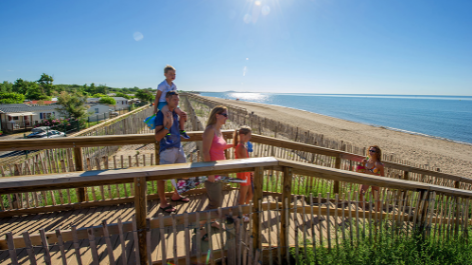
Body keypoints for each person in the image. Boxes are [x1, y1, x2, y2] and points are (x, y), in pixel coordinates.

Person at [154, 91, 190, 213]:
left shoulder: (175, 113)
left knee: (184, 173)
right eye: (174, 99)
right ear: (167, 99)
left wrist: (183, 121)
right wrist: (167, 127)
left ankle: (176, 195)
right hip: (167, 150)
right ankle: (163, 203)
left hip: (178, 147)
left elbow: (179, 131)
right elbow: (158, 137)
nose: (177, 102)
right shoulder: (161, 114)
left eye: (177, 100)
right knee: (162, 177)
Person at [200, 105, 233, 234]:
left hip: (220, 170)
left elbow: (220, 148)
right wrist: (210, 173)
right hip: (212, 171)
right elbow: (205, 152)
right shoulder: (210, 130)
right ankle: (199, 224)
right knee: (215, 202)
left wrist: (234, 144)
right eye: (225, 115)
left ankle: (212, 221)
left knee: (217, 199)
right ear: (217, 115)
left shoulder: (219, 130)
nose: (227, 117)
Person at [153, 65, 190, 139]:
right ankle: (167, 133)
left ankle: (182, 130)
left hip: (171, 103)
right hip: (162, 103)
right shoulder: (162, 85)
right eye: (170, 74)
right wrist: (155, 109)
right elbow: (157, 97)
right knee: (167, 114)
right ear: (165, 74)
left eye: (174, 74)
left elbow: (175, 96)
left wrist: (177, 105)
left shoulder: (174, 86)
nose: (173, 76)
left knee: (182, 114)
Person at [354, 145, 385, 211]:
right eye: (370, 150)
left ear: (377, 153)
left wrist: (381, 184)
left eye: (373, 151)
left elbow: (382, 176)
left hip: (375, 181)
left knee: (376, 197)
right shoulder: (367, 159)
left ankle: (377, 211)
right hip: (366, 179)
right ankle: (364, 209)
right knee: (361, 193)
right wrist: (363, 163)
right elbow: (364, 168)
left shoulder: (379, 164)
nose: (370, 152)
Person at [233, 126, 253, 222]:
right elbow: (246, 162)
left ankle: (245, 210)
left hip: (246, 173)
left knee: (250, 193)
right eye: (248, 136)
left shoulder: (242, 146)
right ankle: (241, 215)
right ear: (242, 135)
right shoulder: (241, 147)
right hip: (243, 174)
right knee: (243, 196)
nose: (249, 138)